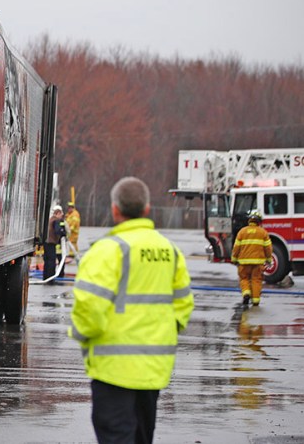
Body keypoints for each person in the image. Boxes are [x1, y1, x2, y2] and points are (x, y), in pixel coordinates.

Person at [68, 176, 194, 443]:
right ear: (146, 209)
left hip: (113, 369)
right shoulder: (169, 251)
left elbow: (89, 307)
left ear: (115, 209)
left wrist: (82, 336)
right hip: (154, 369)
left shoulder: (107, 251)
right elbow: (183, 304)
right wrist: (163, 333)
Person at [231, 209, 272, 307]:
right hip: (258, 263)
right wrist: (269, 259)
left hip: (244, 263)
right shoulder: (263, 233)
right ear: (259, 221)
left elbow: (236, 247)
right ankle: (256, 301)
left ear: (249, 220)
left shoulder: (242, 232)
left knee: (244, 278)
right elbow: (268, 248)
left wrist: (234, 259)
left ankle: (246, 294)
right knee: (256, 280)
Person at [43, 205, 67, 283]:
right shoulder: (56, 220)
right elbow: (58, 230)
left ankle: (46, 277)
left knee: (46, 260)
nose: (61, 216)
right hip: (51, 242)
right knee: (51, 261)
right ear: (58, 213)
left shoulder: (50, 220)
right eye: (61, 214)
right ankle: (51, 278)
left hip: (46, 242)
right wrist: (63, 234)